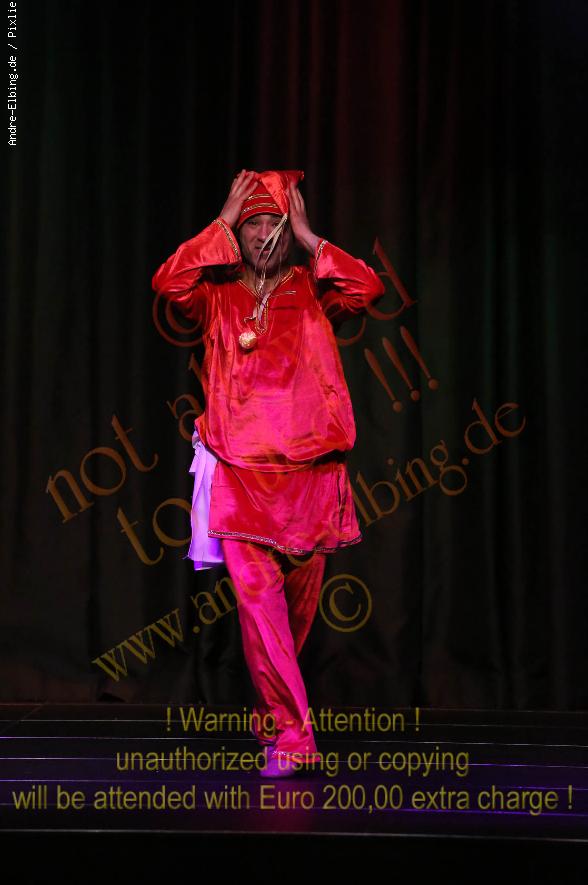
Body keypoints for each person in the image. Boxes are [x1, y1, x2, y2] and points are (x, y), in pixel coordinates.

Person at [152, 169, 385, 777]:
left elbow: (367, 287)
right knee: (260, 612)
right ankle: (294, 735)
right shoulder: (217, 294)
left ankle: (271, 715)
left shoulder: (314, 290)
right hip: (240, 475)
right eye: (252, 223)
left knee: (293, 619)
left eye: (273, 223)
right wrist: (222, 222)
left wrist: (309, 236)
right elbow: (169, 280)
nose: (263, 235)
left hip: (310, 478)